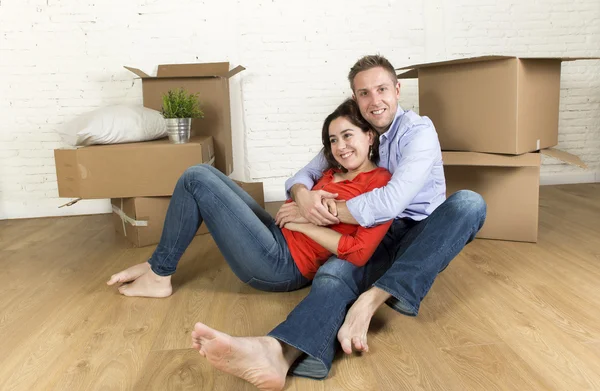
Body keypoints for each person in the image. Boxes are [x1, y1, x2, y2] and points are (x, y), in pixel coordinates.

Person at [190, 54, 487, 389]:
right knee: (334, 272)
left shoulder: (418, 132)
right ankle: (277, 353)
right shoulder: (356, 131)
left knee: (469, 203)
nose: (375, 101)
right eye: (364, 93)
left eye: (382, 89)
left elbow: (390, 203)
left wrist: (313, 215)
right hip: (371, 233)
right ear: (356, 98)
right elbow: (306, 173)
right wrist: (302, 196)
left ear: (398, 89)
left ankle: (372, 299)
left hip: (417, 234)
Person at [107, 98, 392, 300]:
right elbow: (297, 186)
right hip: (275, 235)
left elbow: (358, 252)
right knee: (204, 172)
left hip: (283, 265)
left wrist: (303, 224)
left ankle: (159, 275)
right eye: (333, 140)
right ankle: (157, 265)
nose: (340, 147)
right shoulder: (333, 170)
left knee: (196, 178)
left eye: (347, 136)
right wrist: (300, 202)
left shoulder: (381, 183)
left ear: (369, 136)